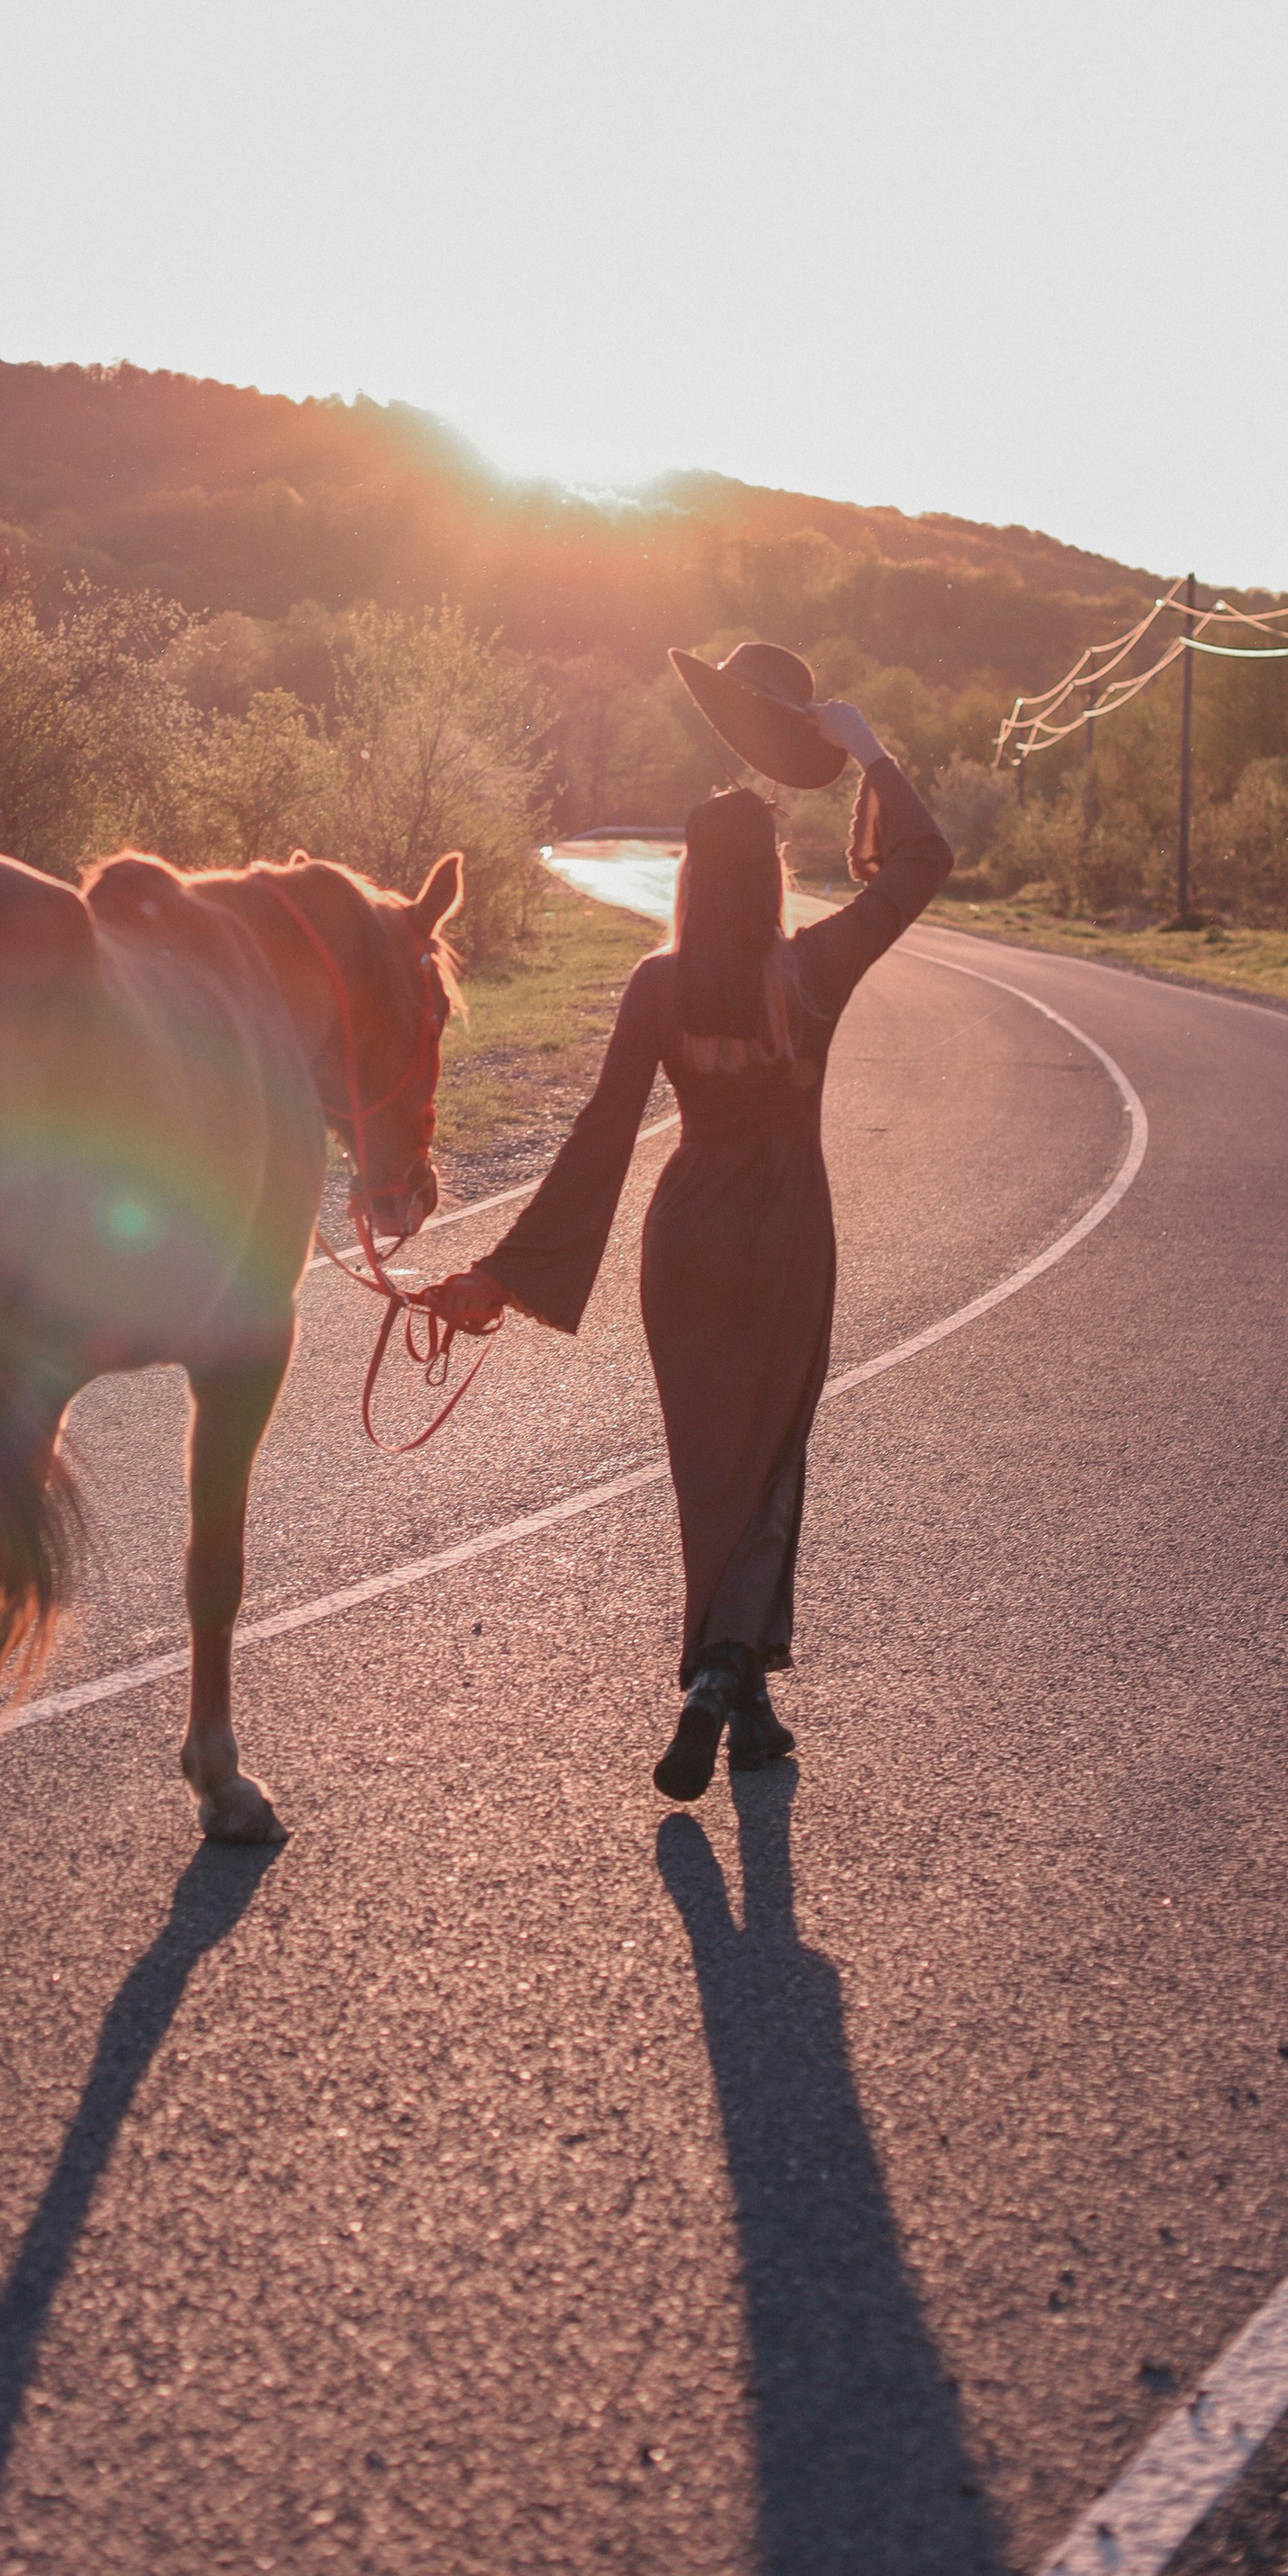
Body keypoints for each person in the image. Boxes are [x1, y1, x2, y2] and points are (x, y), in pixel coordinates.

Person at [430, 654, 952, 1801]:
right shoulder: (813, 968)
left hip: (686, 1241)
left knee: (711, 1468)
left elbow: (602, 1140)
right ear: (767, 881)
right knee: (767, 1458)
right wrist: (866, 751)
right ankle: (718, 1675)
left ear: (684, 882)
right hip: (783, 1237)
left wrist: (501, 1273)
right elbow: (922, 861)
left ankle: (750, 1699)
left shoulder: (655, 987)